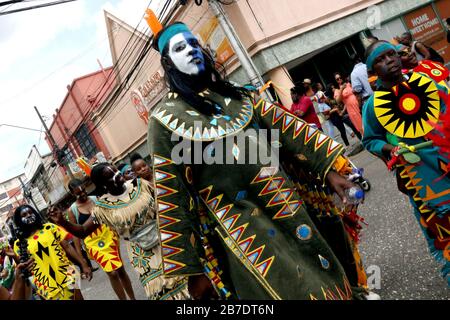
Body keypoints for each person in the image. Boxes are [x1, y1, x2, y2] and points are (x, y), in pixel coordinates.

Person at [143, 21, 378, 300]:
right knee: (292, 288)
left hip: (286, 203)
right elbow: (172, 194)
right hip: (239, 225)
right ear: (168, 63)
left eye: (194, 44)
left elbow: (289, 131)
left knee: (325, 274)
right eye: (180, 48)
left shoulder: (239, 97)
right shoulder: (165, 119)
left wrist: (330, 170)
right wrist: (193, 272)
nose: (191, 51)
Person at [362, 40, 450, 286]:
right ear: (372, 71)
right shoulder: (373, 106)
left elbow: (446, 106)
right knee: (441, 231)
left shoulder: (424, 82)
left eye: (392, 54)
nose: (390, 60)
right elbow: (370, 140)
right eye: (381, 59)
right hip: (420, 176)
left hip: (446, 158)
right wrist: (390, 148)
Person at [49, 164, 190, 300]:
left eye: (115, 170)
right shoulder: (103, 207)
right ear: (103, 185)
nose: (117, 175)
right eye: (110, 175)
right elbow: (84, 230)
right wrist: (62, 221)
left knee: (185, 282)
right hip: (141, 252)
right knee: (160, 289)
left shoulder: (140, 185)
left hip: (164, 240)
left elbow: (164, 202)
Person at [66, 178, 136, 300]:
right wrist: (82, 260)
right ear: (73, 194)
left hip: (108, 236)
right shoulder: (72, 211)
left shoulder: (96, 199)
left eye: (83, 190)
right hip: (93, 243)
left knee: (120, 269)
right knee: (112, 273)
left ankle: (133, 298)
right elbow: (76, 235)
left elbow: (107, 216)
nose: (82, 194)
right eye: (78, 193)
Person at [13, 205, 92, 300]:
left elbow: (67, 246)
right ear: (19, 220)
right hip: (46, 286)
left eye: (30, 212)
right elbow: (23, 266)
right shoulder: (19, 244)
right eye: (24, 215)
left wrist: (83, 264)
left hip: (67, 274)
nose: (29, 215)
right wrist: (14, 256)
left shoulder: (49, 228)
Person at [334, 72, 363, 136]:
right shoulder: (337, 90)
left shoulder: (348, 84)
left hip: (359, 105)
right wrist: (341, 89)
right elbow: (338, 101)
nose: (339, 79)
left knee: (366, 122)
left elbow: (356, 92)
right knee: (360, 126)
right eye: (337, 79)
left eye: (340, 77)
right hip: (352, 109)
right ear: (335, 81)